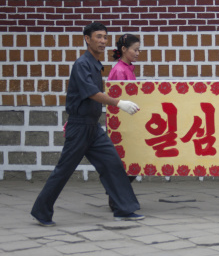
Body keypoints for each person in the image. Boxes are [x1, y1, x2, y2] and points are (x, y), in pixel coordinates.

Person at [31, 22, 144, 226]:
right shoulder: (82, 64)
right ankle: (41, 210)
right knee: (64, 170)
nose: (103, 41)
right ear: (87, 39)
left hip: (93, 127)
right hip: (80, 127)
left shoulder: (95, 64)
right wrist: (119, 103)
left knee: (112, 163)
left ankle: (123, 209)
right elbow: (91, 93)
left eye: (105, 37)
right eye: (98, 37)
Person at [106, 33, 140, 211]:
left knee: (130, 162)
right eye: (135, 50)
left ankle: (116, 195)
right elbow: (117, 98)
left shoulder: (126, 68)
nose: (137, 53)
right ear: (124, 49)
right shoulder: (120, 70)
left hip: (127, 121)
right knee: (128, 162)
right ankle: (116, 196)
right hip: (121, 123)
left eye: (138, 50)